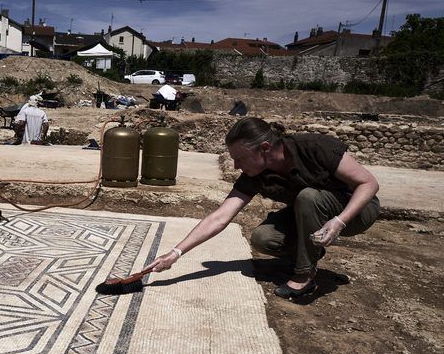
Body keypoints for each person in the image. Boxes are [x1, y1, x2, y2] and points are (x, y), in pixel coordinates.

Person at [150, 117, 380, 299]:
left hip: (357, 209)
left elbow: (369, 184)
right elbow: (220, 216)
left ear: (265, 148)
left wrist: (339, 221)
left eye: (240, 158)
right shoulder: (256, 174)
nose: (237, 165)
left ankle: (304, 276)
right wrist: (175, 253)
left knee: (308, 197)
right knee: (264, 238)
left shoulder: (312, 147)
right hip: (311, 212)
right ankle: (308, 254)